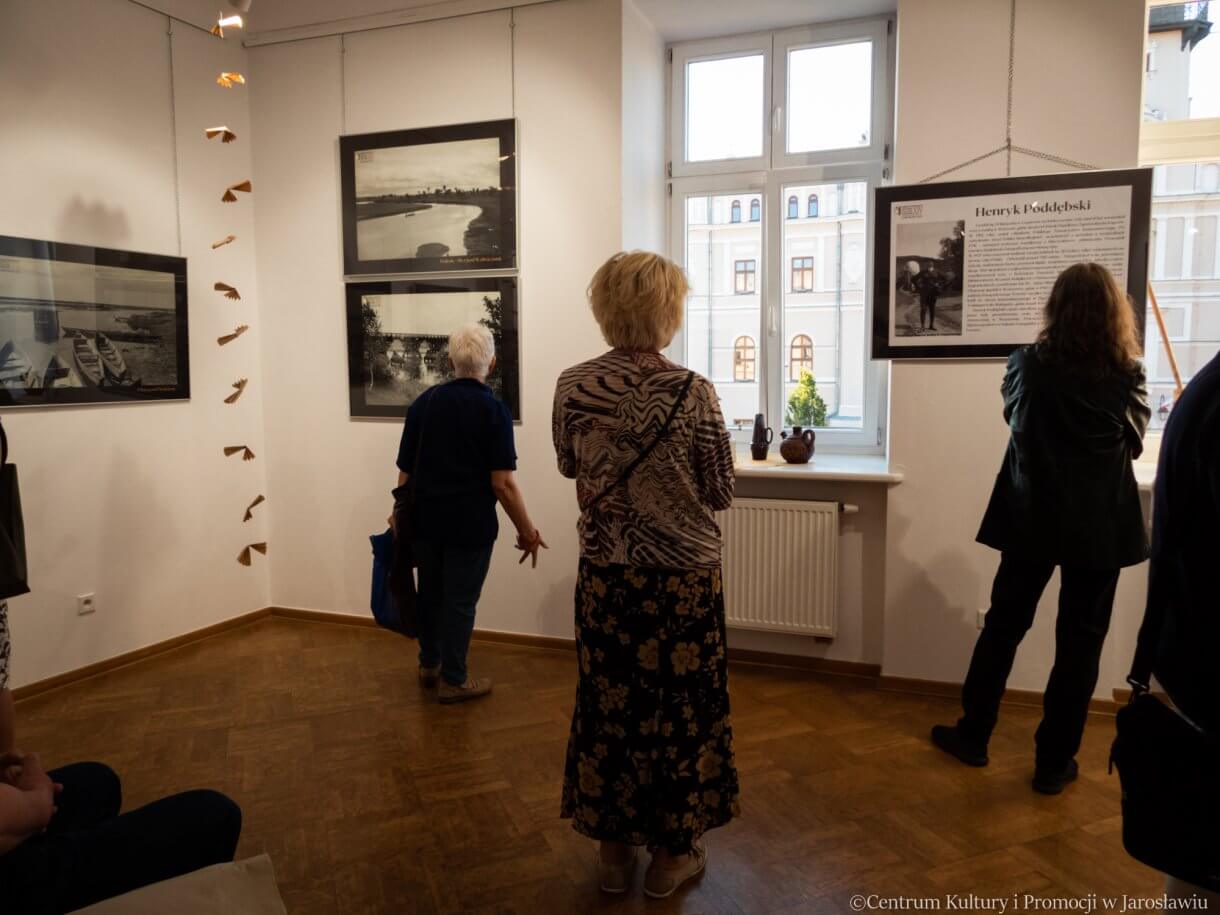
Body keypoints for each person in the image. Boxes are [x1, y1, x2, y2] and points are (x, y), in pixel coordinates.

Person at [553, 251, 739, 899]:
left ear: (605, 308)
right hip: (684, 581)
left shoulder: (573, 385)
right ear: (668, 310)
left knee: (609, 706)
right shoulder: (694, 390)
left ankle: (612, 856)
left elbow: (567, 467)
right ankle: (669, 858)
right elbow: (720, 489)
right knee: (682, 712)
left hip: (607, 576)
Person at [932, 262, 1150, 795]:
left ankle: (974, 735)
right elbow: (1135, 439)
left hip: (1032, 518)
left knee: (1003, 628)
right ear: (1113, 312)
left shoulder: (1027, 364)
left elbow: (1015, 419)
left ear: (1055, 307)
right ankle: (1054, 764)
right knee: (1081, 645)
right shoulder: (1128, 373)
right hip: (1099, 526)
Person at [392, 323, 544, 705]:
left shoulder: (422, 405)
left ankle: (429, 665)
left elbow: (404, 474)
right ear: (490, 363)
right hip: (470, 526)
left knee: (429, 594)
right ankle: (455, 679)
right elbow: (502, 484)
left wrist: (397, 513)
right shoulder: (493, 410)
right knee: (460, 601)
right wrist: (527, 530)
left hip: (425, 522)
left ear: (449, 361)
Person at [1133, 350, 1220, 903]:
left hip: (1194, 649)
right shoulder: (1124, 377)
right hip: (1208, 653)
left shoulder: (1205, 390)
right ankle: (1054, 760)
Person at [913, 262, 942, 331]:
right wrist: (919, 287)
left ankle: (931, 325)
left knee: (932, 309)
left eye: (931, 265)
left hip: (933, 294)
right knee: (923, 309)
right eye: (928, 265)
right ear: (927, 266)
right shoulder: (923, 272)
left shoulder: (937, 272)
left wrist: (939, 285)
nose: (930, 266)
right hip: (924, 294)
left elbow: (945, 278)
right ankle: (922, 326)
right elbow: (913, 279)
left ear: (933, 265)